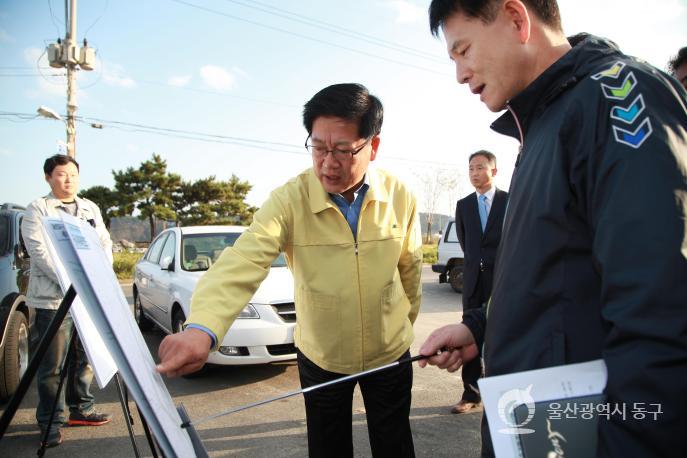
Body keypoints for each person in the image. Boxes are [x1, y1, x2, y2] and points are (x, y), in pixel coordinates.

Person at [419, 1, 687, 457]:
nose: (460, 74)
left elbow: (662, 313)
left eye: (463, 50)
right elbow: (552, 275)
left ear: (517, 18)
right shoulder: (543, 124)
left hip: (585, 433)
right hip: (535, 420)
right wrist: (480, 329)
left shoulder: (618, 95)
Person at [156, 83, 423, 457]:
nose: (328, 162)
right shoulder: (289, 200)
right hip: (322, 355)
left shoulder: (400, 196)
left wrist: (404, 325)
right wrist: (203, 327)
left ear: (372, 146)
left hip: (390, 353)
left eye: (343, 150)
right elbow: (243, 260)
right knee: (328, 448)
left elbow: (410, 269)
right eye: (318, 147)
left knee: (394, 443)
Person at [21, 154, 113, 448]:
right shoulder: (38, 209)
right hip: (53, 301)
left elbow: (104, 243)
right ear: (48, 177)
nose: (68, 179)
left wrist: (101, 276)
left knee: (83, 359)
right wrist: (75, 282)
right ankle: (50, 421)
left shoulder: (89, 207)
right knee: (52, 366)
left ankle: (82, 409)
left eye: (73, 173)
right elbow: (40, 254)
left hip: (87, 299)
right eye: (61, 174)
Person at [450, 150, 507, 414]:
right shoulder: (464, 206)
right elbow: (466, 243)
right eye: (471, 168)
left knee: (503, 336)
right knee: (470, 338)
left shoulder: (510, 200)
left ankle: (504, 393)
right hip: (473, 282)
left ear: (493, 171)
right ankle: (471, 395)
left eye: (480, 167)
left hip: (502, 281)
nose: (474, 173)